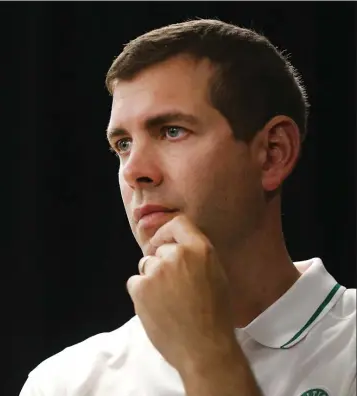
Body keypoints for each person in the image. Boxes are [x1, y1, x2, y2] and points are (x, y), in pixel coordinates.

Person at [20, 19, 356, 396]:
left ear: (272, 154)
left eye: (171, 131)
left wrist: (207, 356)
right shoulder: (66, 383)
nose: (134, 172)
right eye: (123, 145)